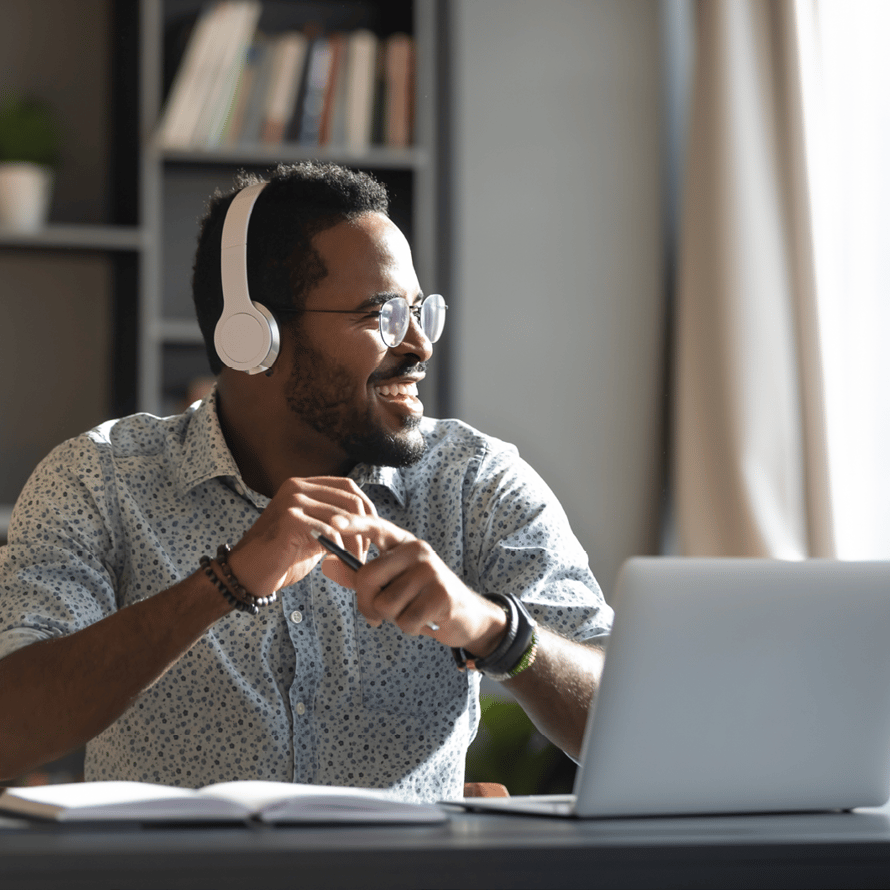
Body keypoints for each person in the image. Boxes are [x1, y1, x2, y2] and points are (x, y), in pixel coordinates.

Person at [0, 162, 611, 801]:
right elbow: (12, 730)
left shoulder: (475, 484)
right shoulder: (100, 480)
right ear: (252, 337)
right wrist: (227, 582)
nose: (419, 345)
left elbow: (635, 718)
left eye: (421, 312)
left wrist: (492, 631)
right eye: (383, 314)